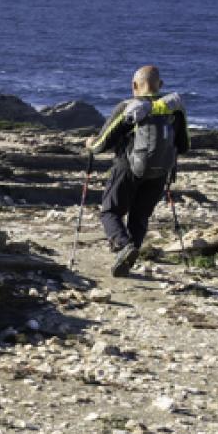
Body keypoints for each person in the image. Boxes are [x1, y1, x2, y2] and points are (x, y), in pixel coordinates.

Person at [86, 65, 188, 276]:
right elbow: (184, 145)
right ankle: (126, 260)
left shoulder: (128, 107)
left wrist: (89, 144)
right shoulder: (174, 110)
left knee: (110, 211)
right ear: (160, 85)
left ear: (134, 85)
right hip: (160, 172)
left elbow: (102, 144)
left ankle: (124, 247)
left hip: (128, 168)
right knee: (140, 216)